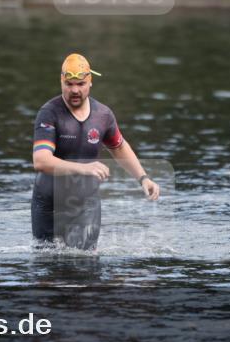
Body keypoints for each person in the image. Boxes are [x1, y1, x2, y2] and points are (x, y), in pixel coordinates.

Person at [31, 53, 160, 249]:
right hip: (49, 203)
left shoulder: (103, 115)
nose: (75, 90)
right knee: (47, 264)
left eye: (80, 84)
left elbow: (119, 147)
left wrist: (143, 178)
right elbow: (41, 161)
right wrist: (83, 168)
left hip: (85, 203)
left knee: (86, 266)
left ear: (90, 82)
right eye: (69, 84)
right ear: (61, 81)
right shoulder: (49, 113)